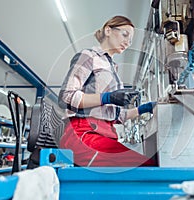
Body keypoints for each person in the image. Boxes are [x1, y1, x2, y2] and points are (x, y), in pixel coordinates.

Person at [58, 15, 157, 167]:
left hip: (105, 134)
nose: (128, 42)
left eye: (130, 40)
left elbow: (116, 115)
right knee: (146, 166)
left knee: (150, 163)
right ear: (108, 30)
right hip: (83, 134)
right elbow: (66, 97)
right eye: (125, 35)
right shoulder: (89, 56)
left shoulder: (113, 68)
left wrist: (145, 108)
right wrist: (107, 97)